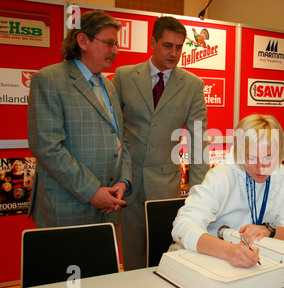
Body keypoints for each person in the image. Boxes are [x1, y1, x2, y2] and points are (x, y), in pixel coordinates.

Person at [112, 16, 209, 270]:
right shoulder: (123, 77)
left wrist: (199, 194)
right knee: (132, 260)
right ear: (152, 42)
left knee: (163, 260)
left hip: (165, 189)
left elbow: (198, 140)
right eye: (168, 45)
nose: (174, 53)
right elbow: (113, 131)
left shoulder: (192, 85)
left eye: (179, 47)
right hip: (126, 185)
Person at [27, 11, 132, 228]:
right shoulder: (49, 80)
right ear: (83, 41)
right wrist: (92, 191)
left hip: (108, 207)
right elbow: (47, 147)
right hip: (66, 208)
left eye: (116, 44)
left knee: (101, 263)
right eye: (109, 43)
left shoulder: (110, 87)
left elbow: (120, 141)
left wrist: (123, 181)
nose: (116, 50)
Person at [172, 114, 284, 268]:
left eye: (269, 157)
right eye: (252, 158)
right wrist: (228, 251)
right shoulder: (222, 176)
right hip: (210, 261)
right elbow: (182, 227)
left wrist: (271, 231)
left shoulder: (282, 177)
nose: (261, 167)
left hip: (254, 264)